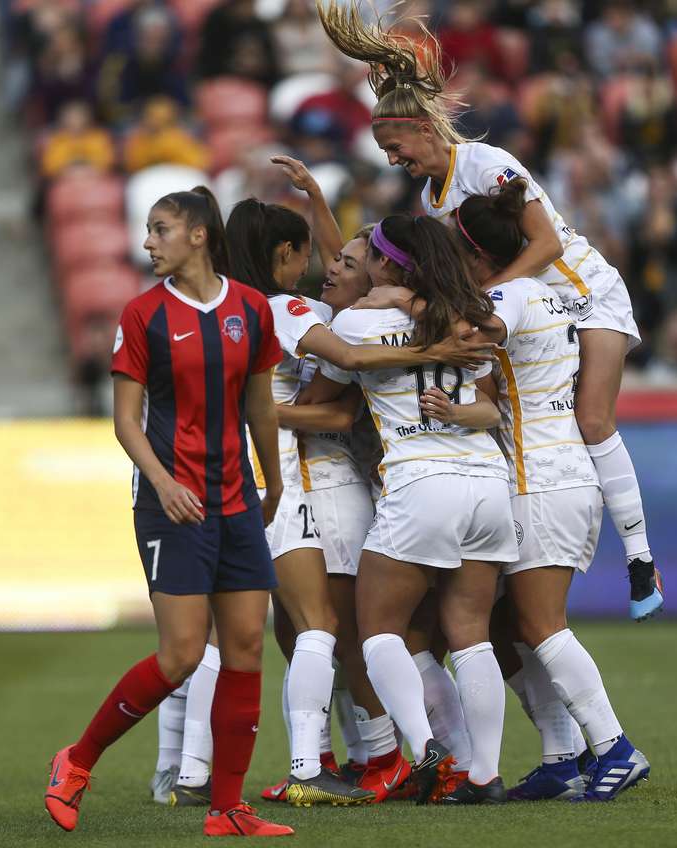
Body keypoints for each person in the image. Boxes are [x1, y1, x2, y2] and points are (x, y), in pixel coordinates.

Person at [316, 0, 663, 620]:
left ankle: (639, 557)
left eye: (396, 147)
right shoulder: (430, 197)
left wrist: (493, 297)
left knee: (591, 420)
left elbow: (548, 244)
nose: (394, 160)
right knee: (509, 412)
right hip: (528, 304)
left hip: (583, 291)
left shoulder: (488, 164)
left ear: (424, 129)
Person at [197, 181, 493, 808]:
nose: (325, 267)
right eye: (313, 255)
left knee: (335, 632)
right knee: (324, 633)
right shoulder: (313, 314)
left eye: (342, 263)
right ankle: (371, 758)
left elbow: (337, 403)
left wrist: (261, 414)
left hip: (322, 484)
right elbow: (356, 284)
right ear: (283, 253)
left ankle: (374, 756)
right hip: (340, 480)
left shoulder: (269, 314)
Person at [43, 186, 294, 837]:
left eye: (159, 229)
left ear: (199, 235)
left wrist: (273, 479)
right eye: (147, 231)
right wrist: (161, 483)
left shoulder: (250, 309)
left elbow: (260, 404)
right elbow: (126, 423)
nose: (148, 241)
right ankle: (76, 761)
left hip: (236, 498)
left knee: (244, 647)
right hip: (171, 505)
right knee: (183, 653)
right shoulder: (142, 315)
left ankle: (227, 809)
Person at [303, 213, 519, 804]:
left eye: (367, 254)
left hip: (421, 480)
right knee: (471, 635)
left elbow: (331, 382)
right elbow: (487, 390)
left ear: (385, 262)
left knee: (376, 631)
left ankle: (424, 749)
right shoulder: (465, 314)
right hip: (487, 480)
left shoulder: (358, 319)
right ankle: (484, 775)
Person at [449, 178, 652, 802]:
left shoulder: (507, 293)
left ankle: (614, 747)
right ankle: (561, 755)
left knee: (540, 621)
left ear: (478, 255)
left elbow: (481, 334)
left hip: (543, 479)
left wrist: (390, 344)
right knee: (509, 620)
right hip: (549, 474)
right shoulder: (543, 292)